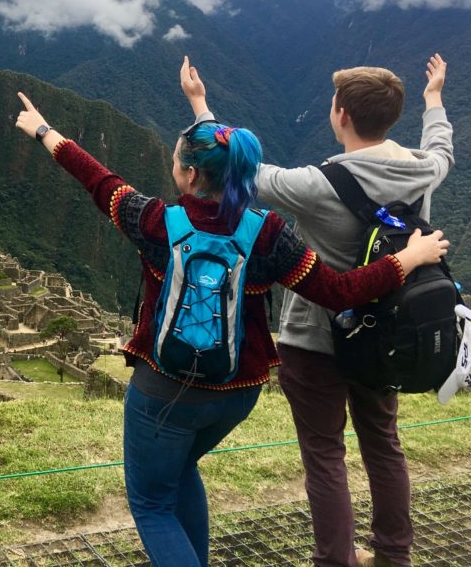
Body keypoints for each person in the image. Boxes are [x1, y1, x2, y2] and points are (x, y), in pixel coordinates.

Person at [14, 89, 449, 567]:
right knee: (180, 472)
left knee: (152, 504)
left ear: (191, 174)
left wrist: (44, 131)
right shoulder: (268, 233)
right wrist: (405, 259)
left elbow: (98, 180)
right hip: (236, 392)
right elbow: (340, 291)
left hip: (163, 388)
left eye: (178, 160)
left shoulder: (155, 220)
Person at [180, 54, 452, 567]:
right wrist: (433, 98)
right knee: (383, 444)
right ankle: (394, 554)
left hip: (315, 342)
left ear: (341, 115)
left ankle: (335, 560)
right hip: (388, 338)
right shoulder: (424, 170)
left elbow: (238, 169)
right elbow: (442, 148)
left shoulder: (316, 184)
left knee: (326, 455)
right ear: (390, 118)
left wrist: (200, 106)